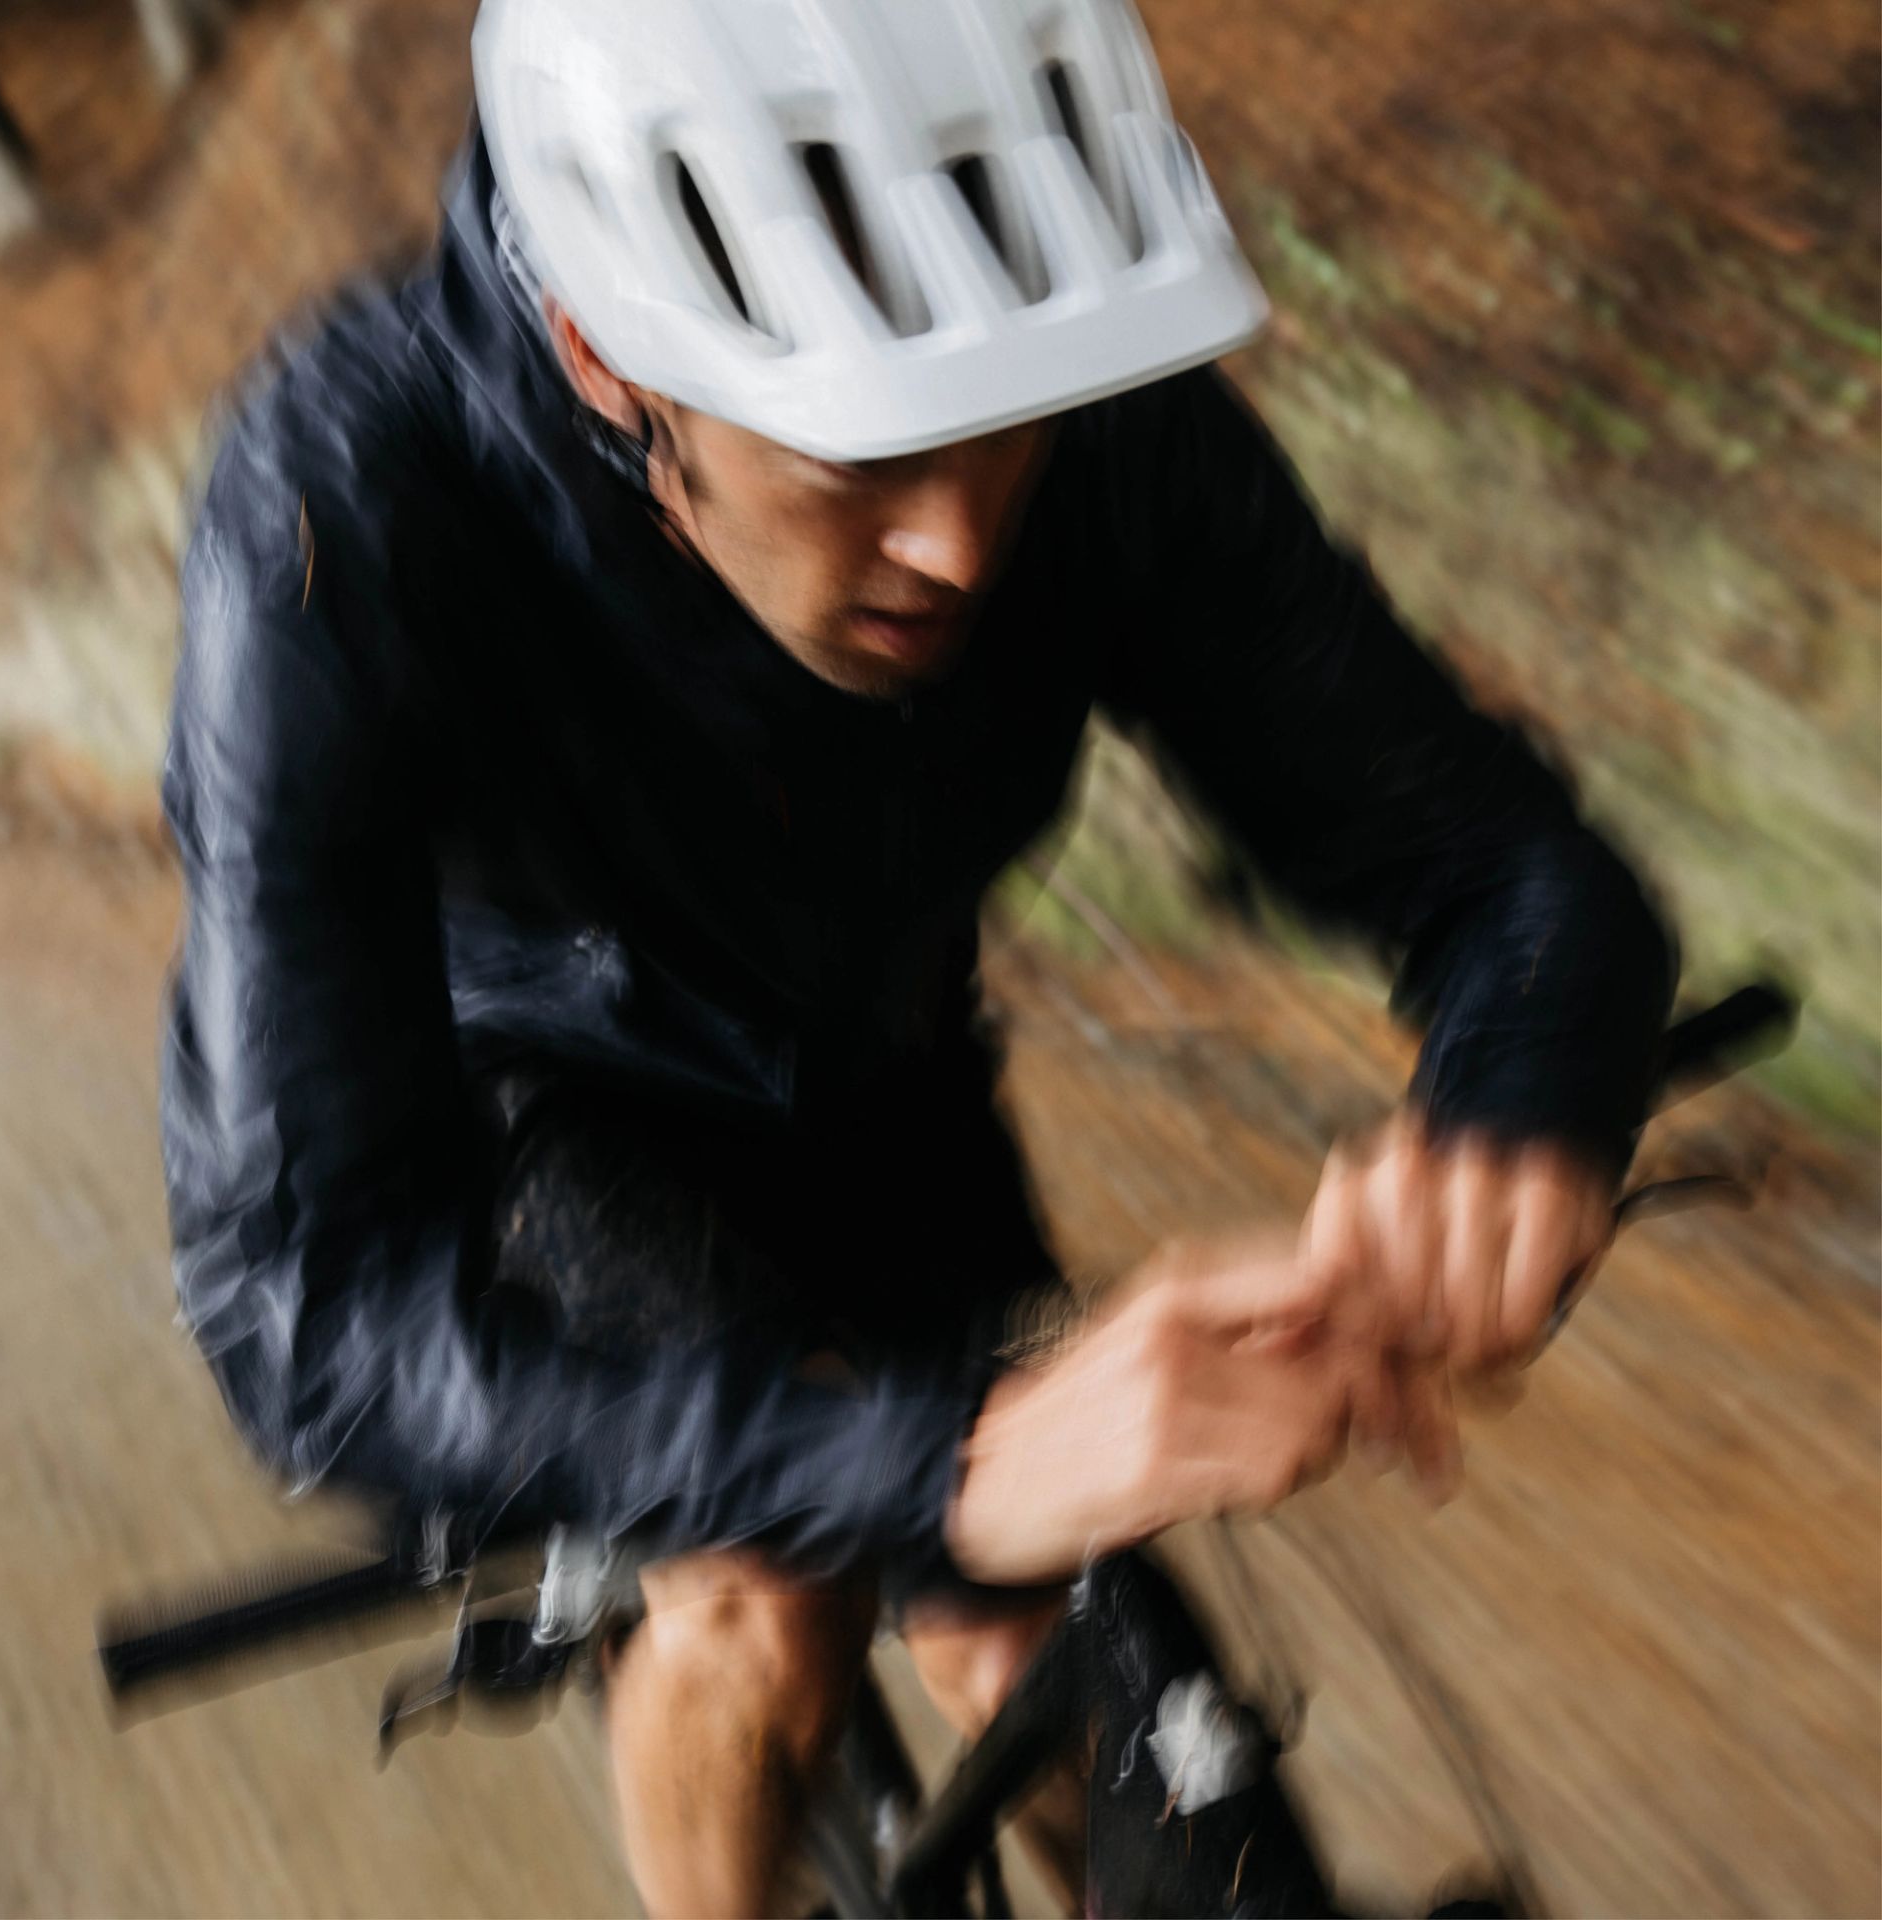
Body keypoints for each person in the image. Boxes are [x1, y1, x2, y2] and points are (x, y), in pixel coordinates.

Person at [158, 0, 1675, 1911]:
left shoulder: (1096, 428)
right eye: (857, 460)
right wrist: (945, 1463)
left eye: (1004, 433)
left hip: (883, 1073)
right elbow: (313, 1307)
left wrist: (1518, 1104)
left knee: (1074, 1635)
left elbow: (1500, 861)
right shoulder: (339, 512)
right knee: (768, 1595)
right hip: (552, 1104)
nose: (959, 546)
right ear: (605, 358)